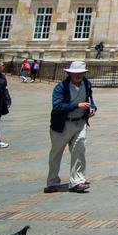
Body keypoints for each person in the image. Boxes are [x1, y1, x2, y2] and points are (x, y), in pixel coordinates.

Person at [46, 60, 96, 193]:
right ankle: (52, 182)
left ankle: (77, 181)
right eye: (76, 73)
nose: (78, 76)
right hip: (62, 124)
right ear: (69, 74)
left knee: (79, 150)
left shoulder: (87, 84)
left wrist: (92, 109)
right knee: (56, 153)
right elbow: (57, 106)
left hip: (80, 122)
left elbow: (91, 100)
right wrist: (76, 106)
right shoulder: (61, 87)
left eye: (81, 73)